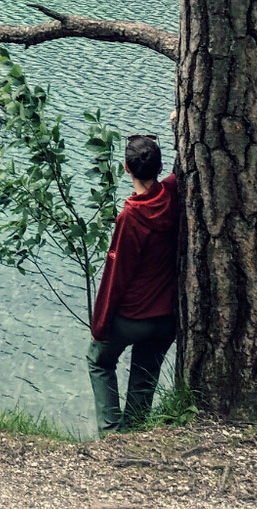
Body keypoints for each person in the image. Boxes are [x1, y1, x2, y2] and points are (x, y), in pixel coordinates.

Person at [87, 133, 182, 434]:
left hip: (132, 317)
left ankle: (112, 434)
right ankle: (137, 435)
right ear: (159, 167)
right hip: (166, 319)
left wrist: (100, 326)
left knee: (98, 360)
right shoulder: (174, 192)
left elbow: (116, 276)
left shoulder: (130, 217)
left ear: (126, 169)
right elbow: (180, 168)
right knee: (144, 376)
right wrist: (178, 130)